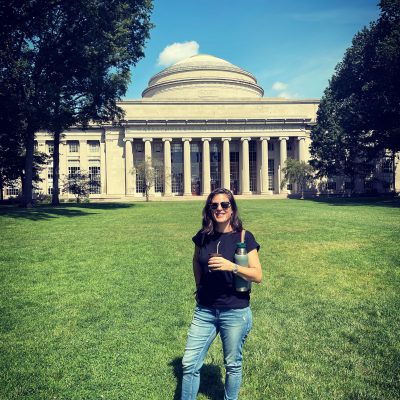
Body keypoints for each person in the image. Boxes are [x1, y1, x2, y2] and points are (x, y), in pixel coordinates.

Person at [181, 188, 262, 400]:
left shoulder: (244, 236)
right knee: (189, 363)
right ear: (209, 209)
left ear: (232, 208)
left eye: (224, 204)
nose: (219, 209)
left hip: (235, 310)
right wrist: (199, 286)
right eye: (214, 205)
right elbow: (195, 261)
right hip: (205, 310)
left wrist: (231, 266)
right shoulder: (202, 237)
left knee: (232, 364)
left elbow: (257, 274)